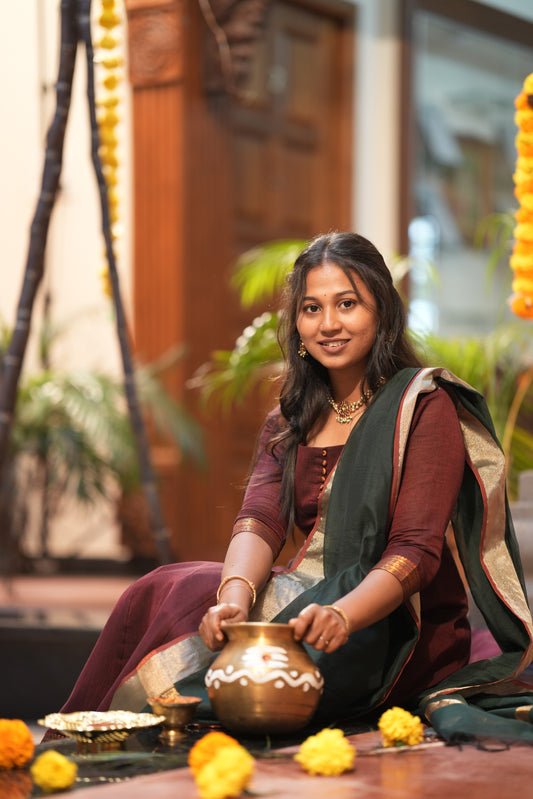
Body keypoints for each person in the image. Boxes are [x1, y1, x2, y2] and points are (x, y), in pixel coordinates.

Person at [59, 232, 533, 739]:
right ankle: (96, 736)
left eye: (347, 304)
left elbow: (415, 552)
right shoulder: (292, 416)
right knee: (170, 588)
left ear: (383, 313)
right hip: (311, 596)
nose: (328, 324)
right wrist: (234, 600)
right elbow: (260, 519)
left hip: (397, 624)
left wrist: (342, 615)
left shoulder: (422, 406)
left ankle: (163, 718)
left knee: (254, 637)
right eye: (311, 308)